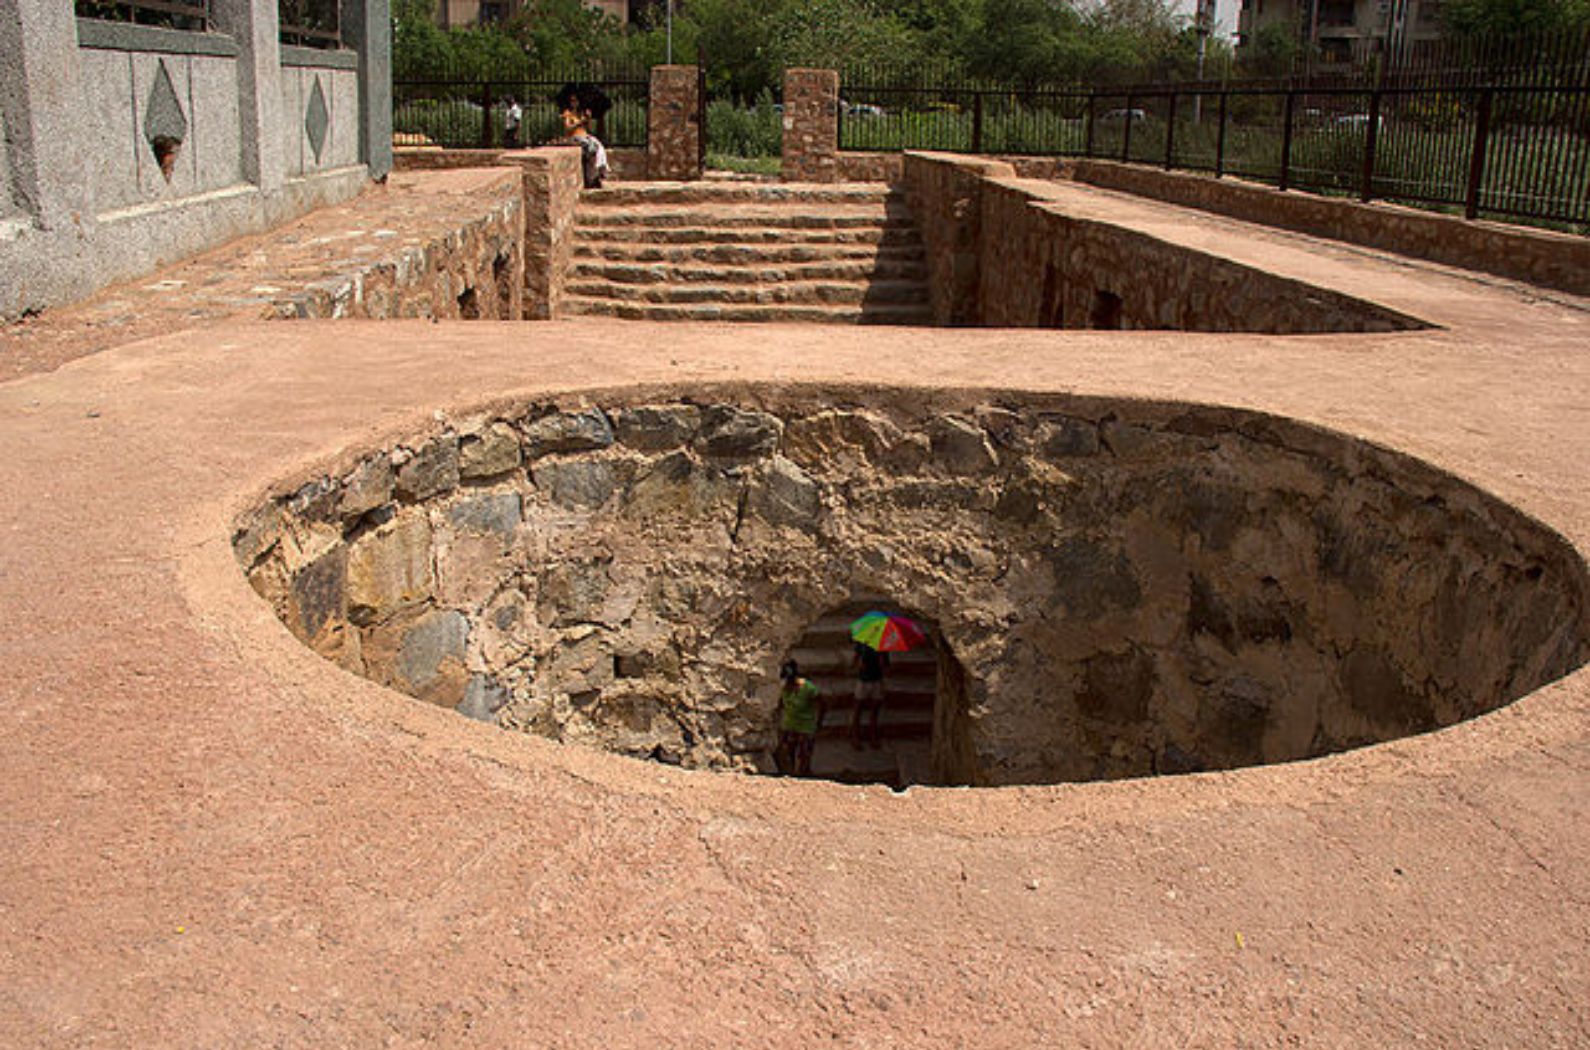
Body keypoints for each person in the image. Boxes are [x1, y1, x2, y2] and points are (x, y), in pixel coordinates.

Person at [555, 82, 611, 189]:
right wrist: (580, 122)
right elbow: (568, 128)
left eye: (575, 101)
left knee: (599, 147)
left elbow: (587, 128)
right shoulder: (568, 114)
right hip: (575, 137)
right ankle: (591, 177)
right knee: (590, 148)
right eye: (572, 101)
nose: (574, 103)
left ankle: (600, 172)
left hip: (584, 136)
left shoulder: (581, 113)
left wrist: (587, 119)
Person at [776, 659, 824, 777]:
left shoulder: (808, 688)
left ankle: (804, 774)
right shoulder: (784, 688)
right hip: (790, 725)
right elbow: (781, 705)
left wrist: (819, 722)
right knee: (789, 753)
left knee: (804, 754)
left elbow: (823, 705)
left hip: (806, 726)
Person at [850, 641, 889, 749]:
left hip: (876, 680)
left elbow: (886, 665)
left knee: (874, 711)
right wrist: (858, 664)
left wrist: (882, 662)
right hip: (863, 680)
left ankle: (872, 735)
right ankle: (855, 736)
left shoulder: (882, 646)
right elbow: (854, 661)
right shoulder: (862, 644)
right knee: (858, 709)